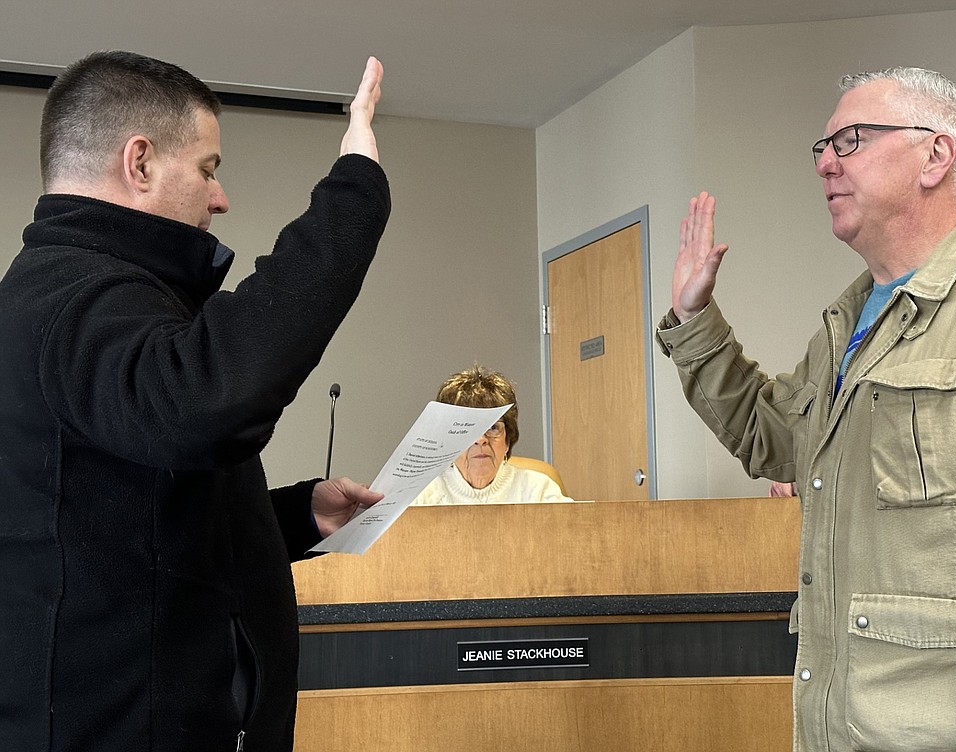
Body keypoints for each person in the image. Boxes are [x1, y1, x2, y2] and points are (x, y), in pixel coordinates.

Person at [657, 67, 956, 751]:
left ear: (936, 155)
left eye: (853, 140)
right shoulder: (845, 324)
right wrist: (693, 319)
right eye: (824, 147)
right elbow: (775, 439)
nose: (826, 163)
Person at [0, 51, 391, 751]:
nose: (221, 198)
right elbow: (210, 402)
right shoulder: (77, 302)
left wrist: (295, 515)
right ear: (140, 162)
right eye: (209, 168)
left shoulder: (76, 295)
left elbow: (125, 514)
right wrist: (355, 192)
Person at [413, 366, 572, 505]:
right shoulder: (422, 496)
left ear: (508, 440)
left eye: (493, 427)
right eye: (467, 429)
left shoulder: (538, 491)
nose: (480, 439)